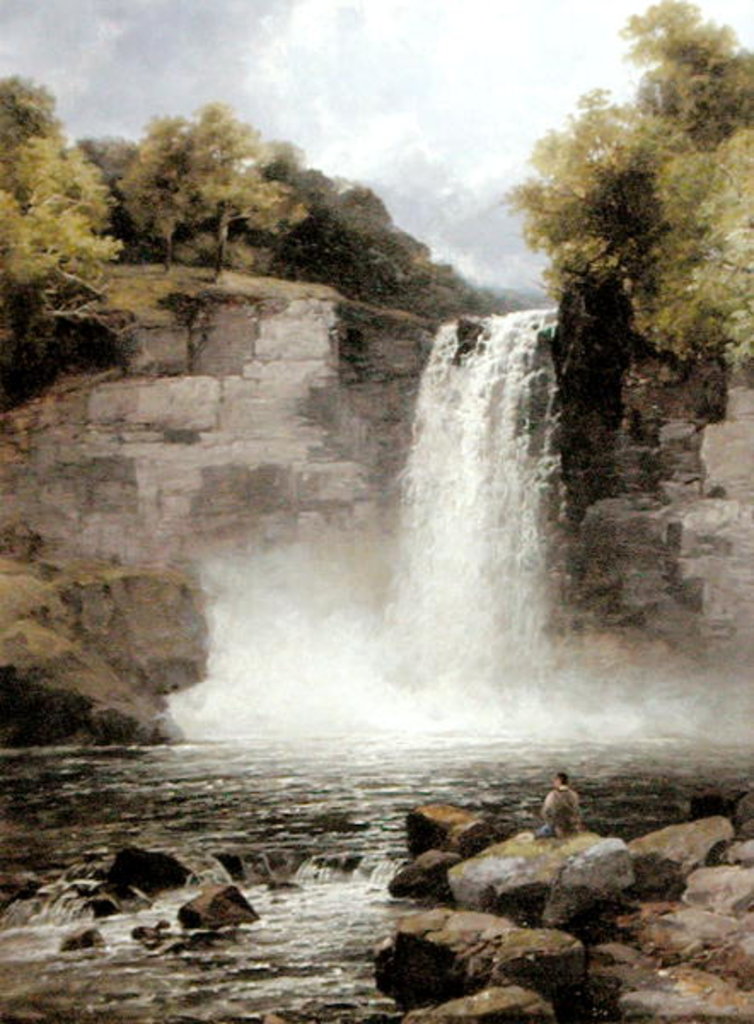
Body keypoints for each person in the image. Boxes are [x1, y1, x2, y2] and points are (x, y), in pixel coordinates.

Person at [535, 771, 582, 838]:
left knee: (537, 834)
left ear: (559, 781)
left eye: (555, 780)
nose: (553, 782)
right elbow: (577, 811)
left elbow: (545, 812)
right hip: (572, 827)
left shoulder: (553, 795)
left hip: (557, 827)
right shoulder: (574, 795)